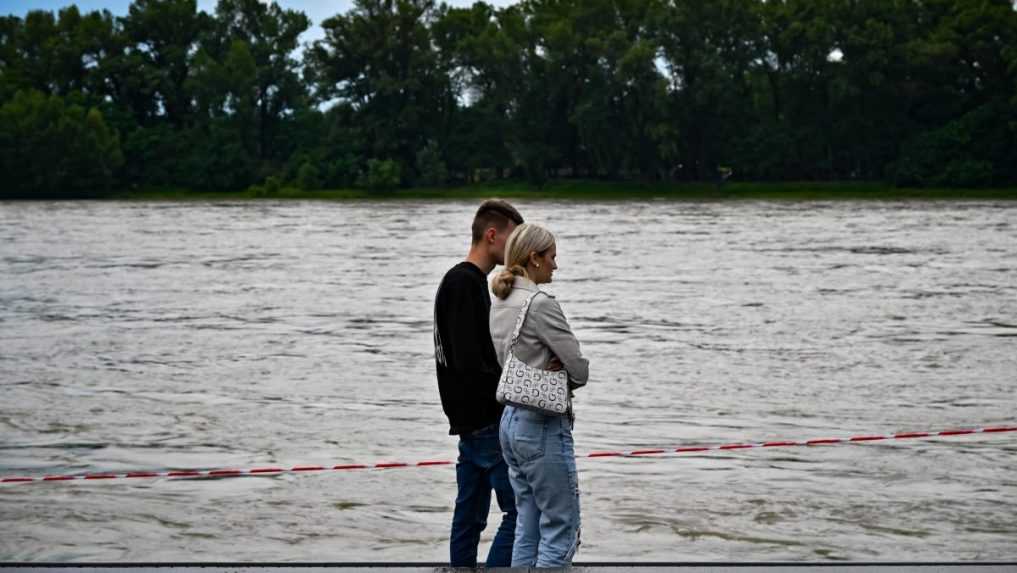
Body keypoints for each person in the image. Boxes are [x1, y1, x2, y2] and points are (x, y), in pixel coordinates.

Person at [489, 223, 589, 568]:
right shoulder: (540, 303)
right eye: (552, 257)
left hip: (510, 423)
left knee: (527, 526)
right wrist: (561, 369)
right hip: (541, 424)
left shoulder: (500, 300)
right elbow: (580, 371)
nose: (555, 266)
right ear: (534, 259)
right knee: (561, 527)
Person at [433, 199, 524, 567]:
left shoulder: (460, 282)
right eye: (512, 238)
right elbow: (472, 361)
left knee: (469, 516)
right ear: (491, 235)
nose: (516, 248)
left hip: (466, 421)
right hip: (485, 420)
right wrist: (512, 393)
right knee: (520, 513)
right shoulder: (466, 283)